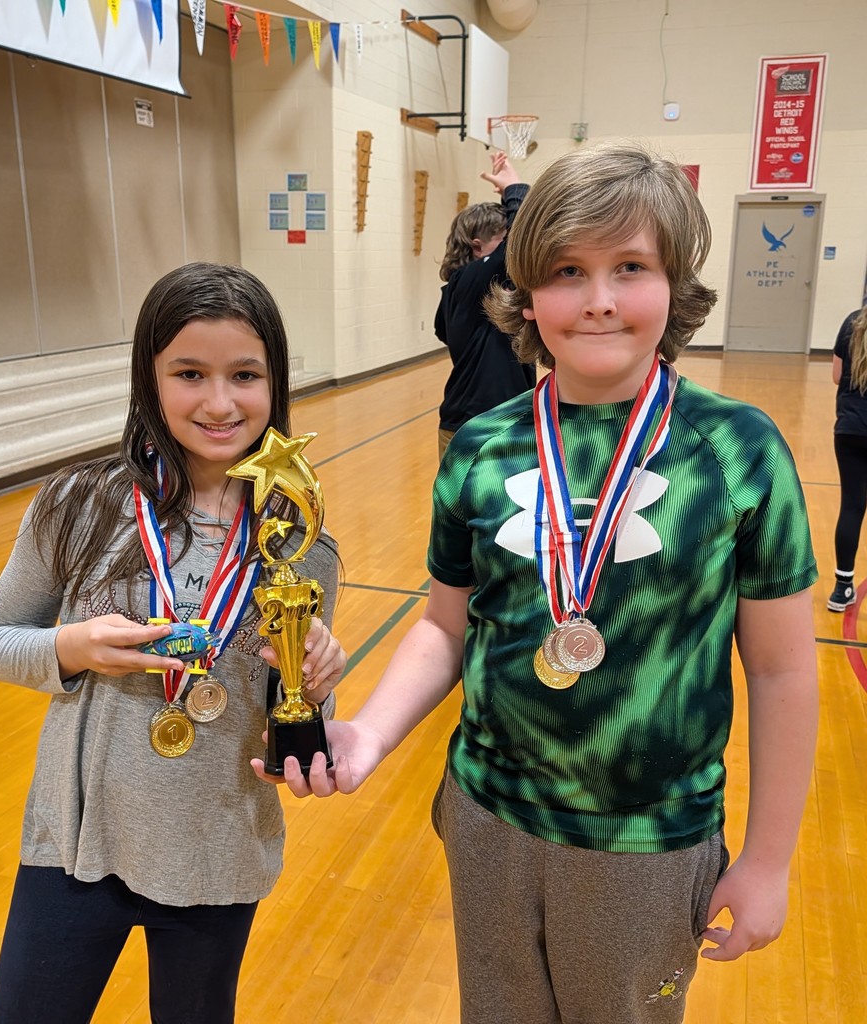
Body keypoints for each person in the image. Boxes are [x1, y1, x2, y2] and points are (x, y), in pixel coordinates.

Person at [257, 145, 819, 1023]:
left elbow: (783, 671)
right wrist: (368, 732)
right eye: (567, 270)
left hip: (648, 844)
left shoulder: (739, 450)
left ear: (674, 283)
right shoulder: (483, 446)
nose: (597, 297)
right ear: (526, 293)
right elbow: (446, 627)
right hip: (488, 821)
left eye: (629, 267)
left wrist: (769, 860)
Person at [0, 262, 346, 1024]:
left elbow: (296, 719)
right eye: (189, 373)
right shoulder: (79, 505)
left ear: (275, 382)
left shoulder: (302, 545)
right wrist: (72, 648)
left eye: (245, 374)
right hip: (76, 846)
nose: (219, 401)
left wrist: (314, 678)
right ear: (149, 380)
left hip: (216, 846)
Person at [435, 150, 537, 460]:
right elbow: (517, 245)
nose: (514, 249)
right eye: (504, 240)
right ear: (478, 247)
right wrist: (514, 189)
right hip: (474, 426)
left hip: (502, 421)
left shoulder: (466, 293)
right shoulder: (467, 283)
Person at [829, 302, 867, 611]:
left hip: (850, 428)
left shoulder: (852, 322)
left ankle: (842, 588)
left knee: (852, 506)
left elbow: (837, 375)